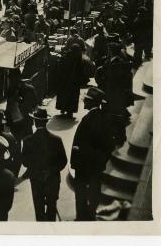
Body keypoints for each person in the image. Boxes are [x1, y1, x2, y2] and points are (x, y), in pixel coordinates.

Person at [70, 87, 115, 221]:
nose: (84, 101)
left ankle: (82, 217)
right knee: (95, 189)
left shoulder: (88, 119)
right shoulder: (105, 118)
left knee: (81, 192)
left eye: (87, 100)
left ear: (92, 102)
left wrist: (78, 161)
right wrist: (100, 160)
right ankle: (91, 214)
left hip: (83, 165)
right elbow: (109, 145)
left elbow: (81, 145)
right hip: (97, 164)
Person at [21, 107, 67, 221]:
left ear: (35, 122)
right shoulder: (56, 140)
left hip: (36, 179)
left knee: (39, 208)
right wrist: (51, 171)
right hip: (53, 179)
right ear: (46, 121)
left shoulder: (27, 141)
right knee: (51, 207)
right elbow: (63, 161)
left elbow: (25, 162)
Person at [55, 44, 89, 118]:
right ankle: (69, 111)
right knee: (72, 97)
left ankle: (63, 108)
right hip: (74, 82)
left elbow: (60, 69)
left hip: (65, 81)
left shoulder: (66, 57)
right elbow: (81, 71)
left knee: (64, 95)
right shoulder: (78, 59)